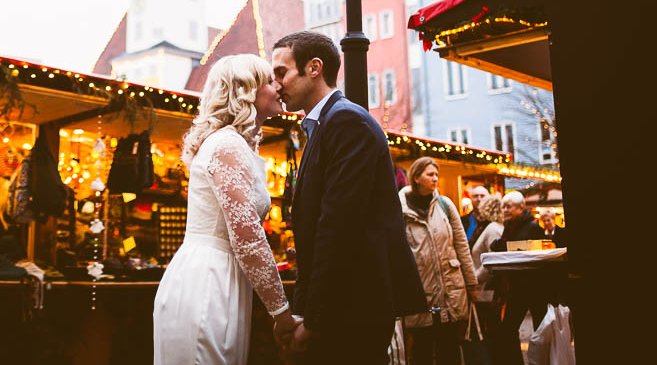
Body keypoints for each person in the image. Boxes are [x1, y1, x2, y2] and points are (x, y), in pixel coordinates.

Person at [270, 31, 426, 363]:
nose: (276, 84)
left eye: (281, 72)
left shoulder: (345, 121)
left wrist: (313, 319)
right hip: (345, 304)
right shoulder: (324, 124)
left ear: (314, 68)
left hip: (355, 305)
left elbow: (338, 226)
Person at [153, 54, 299, 364]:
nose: (278, 88)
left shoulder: (238, 145)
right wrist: (281, 312)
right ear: (247, 90)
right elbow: (247, 237)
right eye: (270, 82)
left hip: (223, 277)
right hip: (208, 281)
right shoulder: (228, 145)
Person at [399, 157, 479, 365]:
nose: (435, 178)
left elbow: (461, 245)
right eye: (430, 174)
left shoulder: (445, 205)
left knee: (450, 350)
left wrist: (471, 284)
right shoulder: (400, 210)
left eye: (436, 174)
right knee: (421, 352)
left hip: (449, 289)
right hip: (419, 291)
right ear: (416, 178)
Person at [491, 191, 550, 365]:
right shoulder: (510, 225)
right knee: (510, 329)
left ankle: (543, 361)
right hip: (518, 287)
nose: (505, 210)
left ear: (521, 207)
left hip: (533, 287)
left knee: (539, 328)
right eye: (504, 206)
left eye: (508, 206)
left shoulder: (531, 226)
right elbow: (503, 246)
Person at [470, 194, 505, 354]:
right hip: (484, 289)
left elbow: (491, 260)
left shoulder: (492, 229)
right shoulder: (491, 228)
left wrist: (474, 278)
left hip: (486, 290)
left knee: (490, 331)